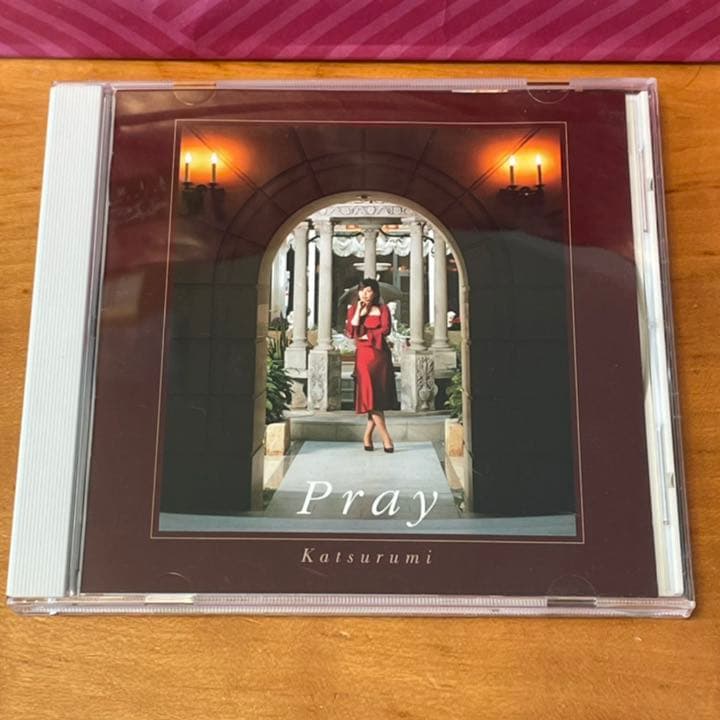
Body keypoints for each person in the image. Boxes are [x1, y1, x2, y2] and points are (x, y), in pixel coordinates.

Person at [345, 278, 397, 452]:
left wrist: (368, 336)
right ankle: (386, 438)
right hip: (363, 357)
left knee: (377, 398)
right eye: (362, 291)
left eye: (369, 291)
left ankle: (367, 437)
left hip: (380, 356)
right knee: (370, 397)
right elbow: (351, 331)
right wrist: (359, 311)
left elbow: (386, 329)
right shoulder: (354, 309)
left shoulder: (383, 309)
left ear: (375, 293)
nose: (365, 294)